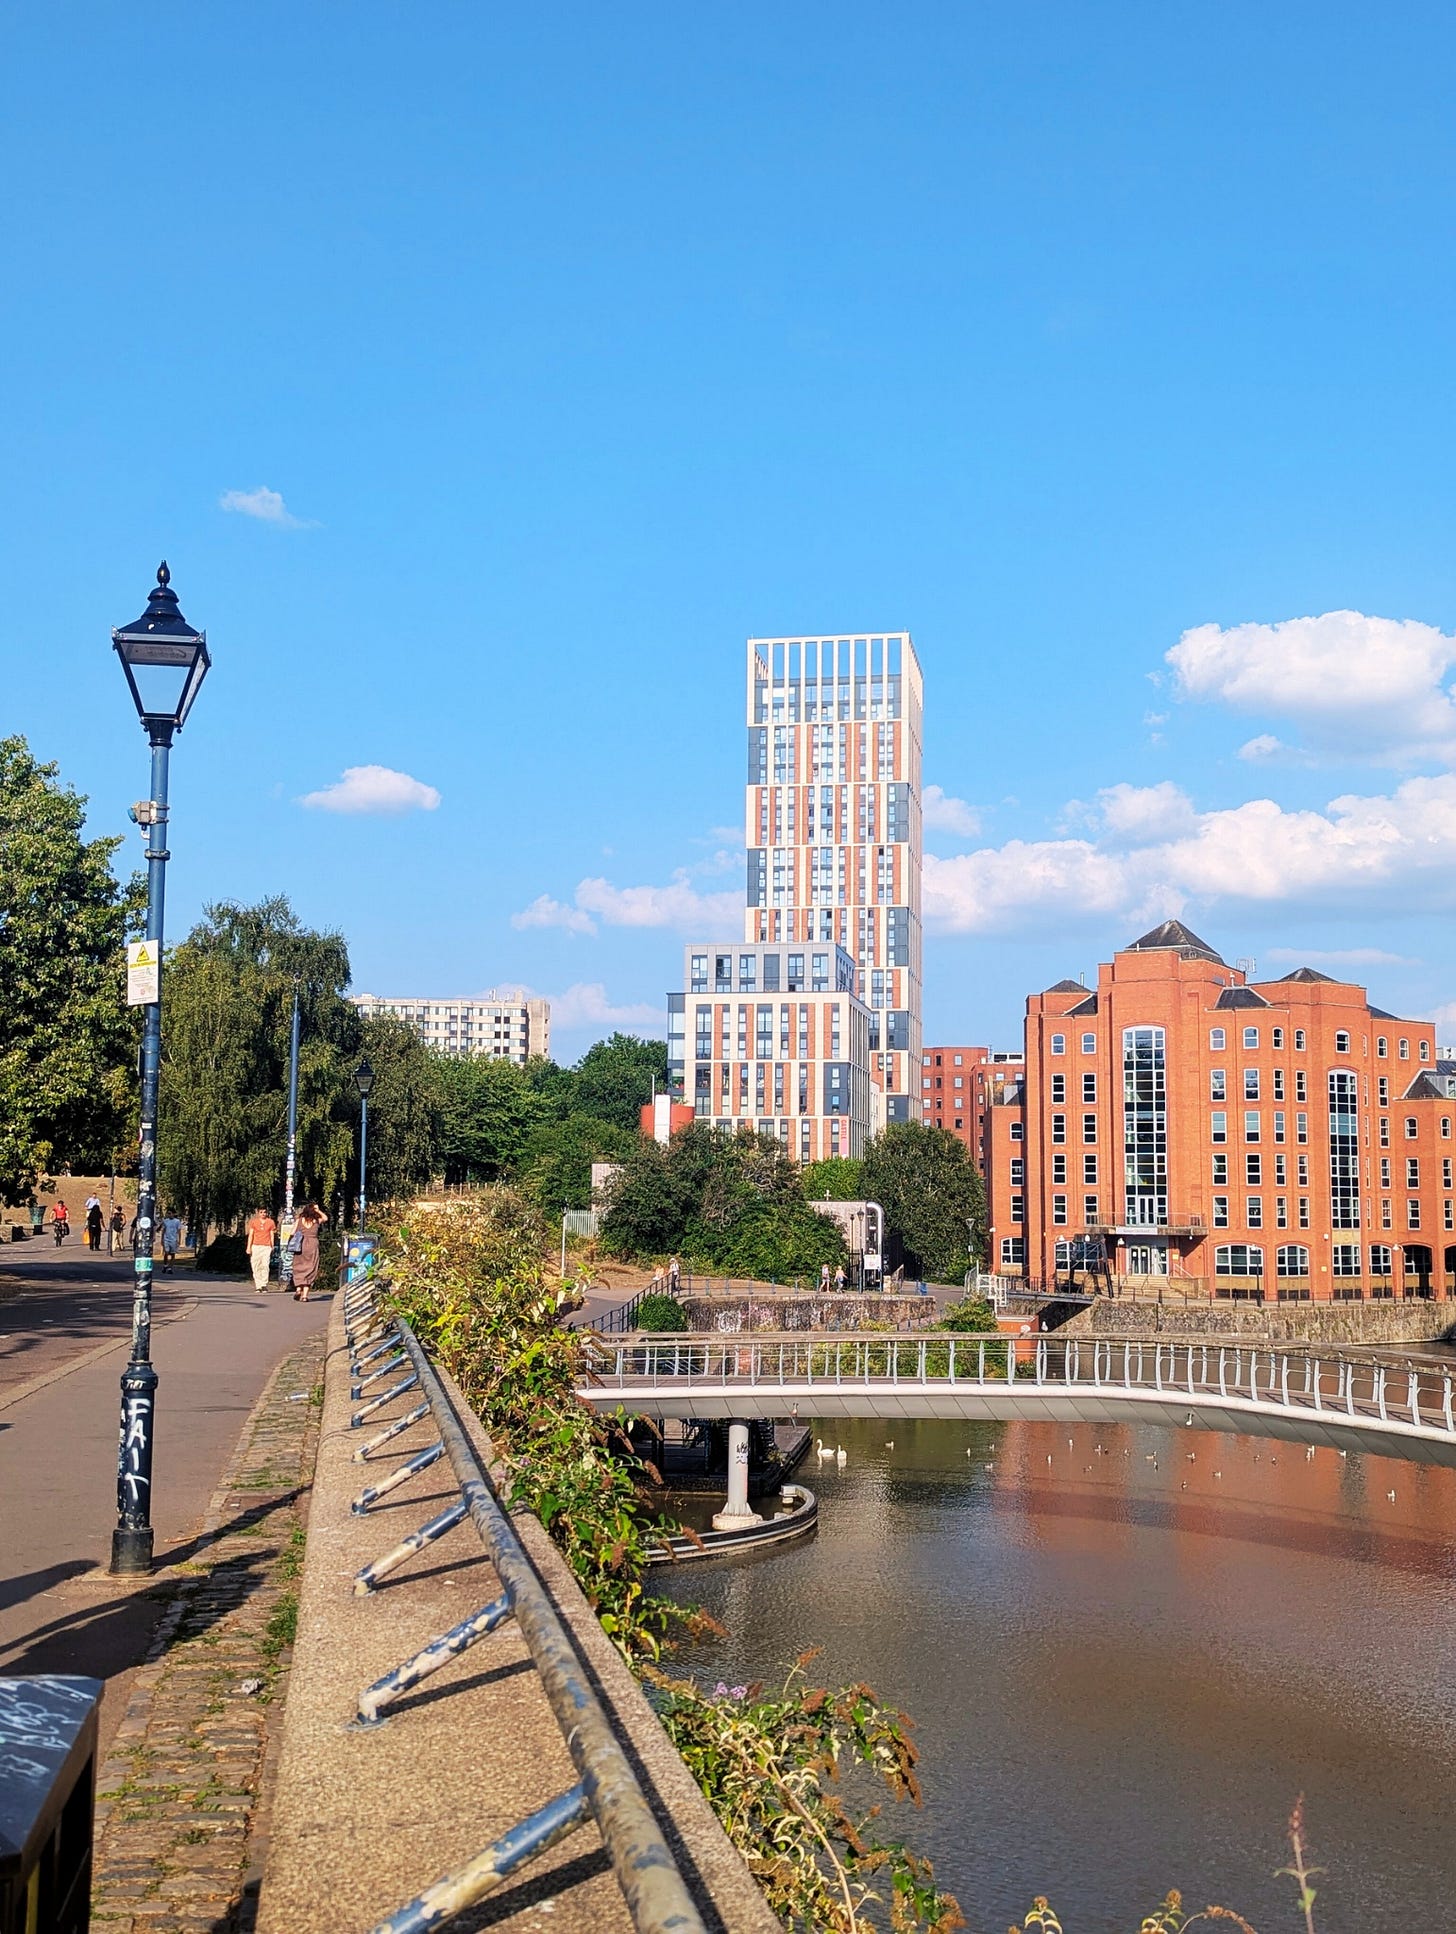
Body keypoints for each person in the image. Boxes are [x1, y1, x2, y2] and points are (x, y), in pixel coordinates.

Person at [291, 1202, 326, 1302]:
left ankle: (298, 1289)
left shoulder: (299, 1220)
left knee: (298, 1266)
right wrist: (318, 1211)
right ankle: (305, 1296)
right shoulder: (316, 1221)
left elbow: (292, 1232)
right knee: (310, 1267)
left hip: (300, 1245)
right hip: (312, 1245)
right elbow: (325, 1218)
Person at [245, 1206, 278, 1292]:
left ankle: (264, 1284)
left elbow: (271, 1235)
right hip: (256, 1246)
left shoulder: (270, 1222)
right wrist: (249, 1247)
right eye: (261, 1212)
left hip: (266, 1246)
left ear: (267, 1213)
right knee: (256, 1265)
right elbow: (251, 1235)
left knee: (265, 1265)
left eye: (264, 1212)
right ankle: (258, 1285)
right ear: (258, 1213)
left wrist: (272, 1245)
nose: (263, 1214)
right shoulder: (254, 1222)